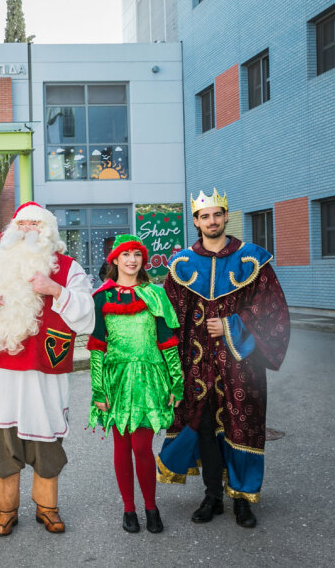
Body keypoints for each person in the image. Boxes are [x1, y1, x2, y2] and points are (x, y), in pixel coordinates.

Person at [156, 189, 290, 528]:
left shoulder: (253, 260)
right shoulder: (181, 265)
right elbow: (168, 317)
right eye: (205, 216)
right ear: (196, 221)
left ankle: (243, 499)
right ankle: (213, 495)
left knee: (242, 426)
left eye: (217, 214)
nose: (212, 221)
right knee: (204, 428)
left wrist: (232, 326)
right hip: (197, 365)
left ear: (226, 216)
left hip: (242, 364)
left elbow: (273, 310)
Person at [0, 202, 96, 536]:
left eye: (34, 224)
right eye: (21, 224)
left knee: (46, 439)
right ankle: (6, 510)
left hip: (44, 370)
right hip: (3, 371)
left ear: (48, 230)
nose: (27, 230)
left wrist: (55, 290)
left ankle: (47, 508)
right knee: (3, 441)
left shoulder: (68, 267)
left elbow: (87, 313)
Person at [87, 234, 183, 534]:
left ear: (143, 260)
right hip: (116, 379)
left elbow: (168, 341)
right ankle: (129, 509)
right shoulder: (101, 297)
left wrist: (177, 383)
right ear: (115, 260)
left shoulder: (155, 294)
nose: (132, 260)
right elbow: (97, 346)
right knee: (121, 444)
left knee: (142, 446)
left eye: (137, 254)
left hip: (149, 379)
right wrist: (98, 389)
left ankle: (151, 507)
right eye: (126, 254)